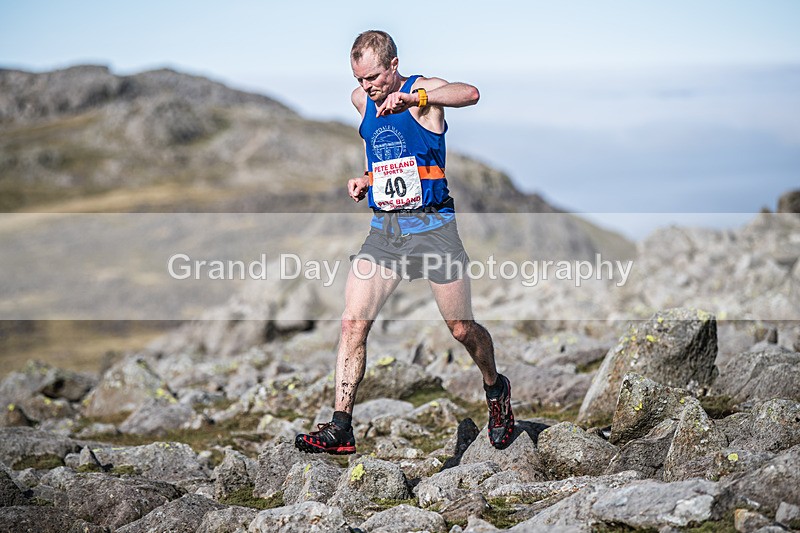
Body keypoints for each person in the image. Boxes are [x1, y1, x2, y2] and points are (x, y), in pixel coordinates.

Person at [295, 30, 514, 455]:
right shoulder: (362, 103)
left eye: (374, 77)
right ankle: (341, 426)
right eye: (359, 79)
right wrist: (366, 180)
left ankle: (495, 387)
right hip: (387, 232)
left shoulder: (422, 92)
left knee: (460, 328)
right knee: (352, 322)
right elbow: (382, 155)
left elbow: (470, 93)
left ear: (393, 66)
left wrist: (416, 101)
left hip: (434, 229)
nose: (367, 87)